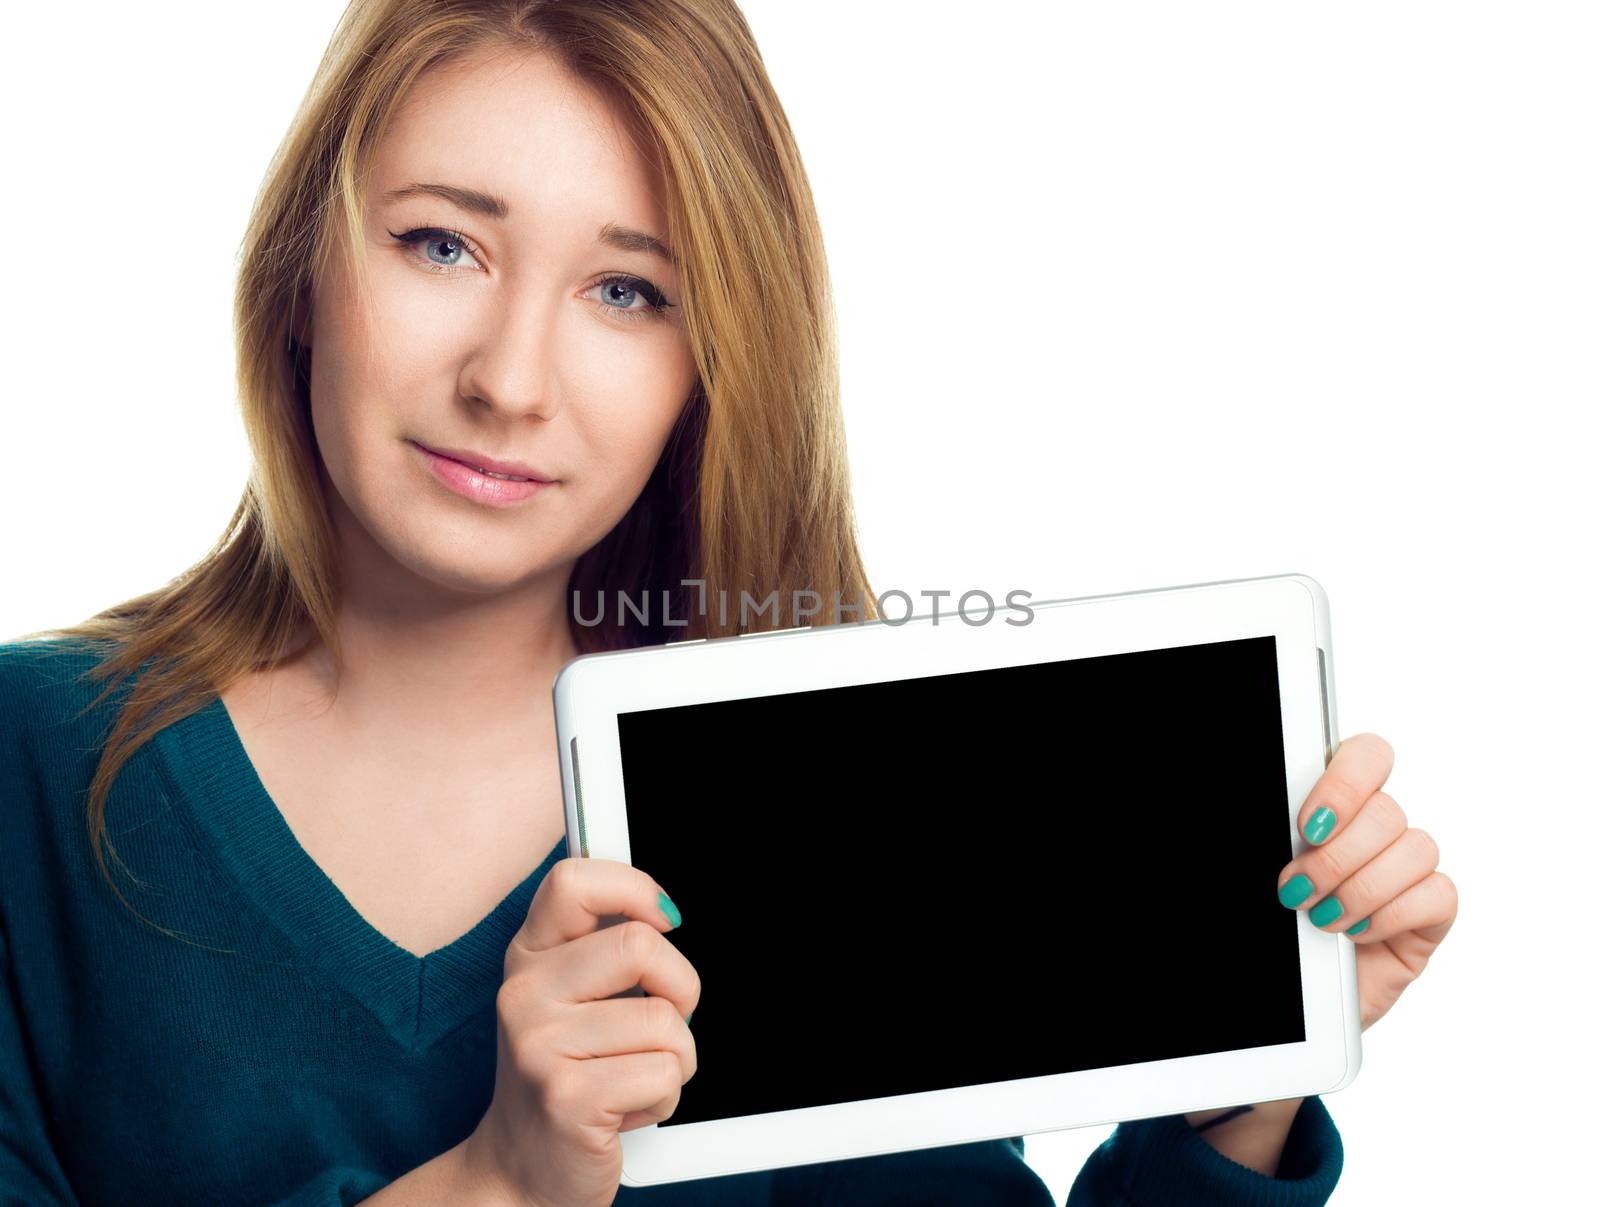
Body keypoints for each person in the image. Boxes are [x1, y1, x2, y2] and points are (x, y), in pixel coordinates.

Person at [0, 2, 1457, 1203]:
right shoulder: (28, 764)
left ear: (714, 361)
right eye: (442, 244)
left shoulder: (824, 795)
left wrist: (1248, 1096)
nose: (509, 380)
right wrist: (500, 1184)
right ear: (308, 268)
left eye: (629, 294)